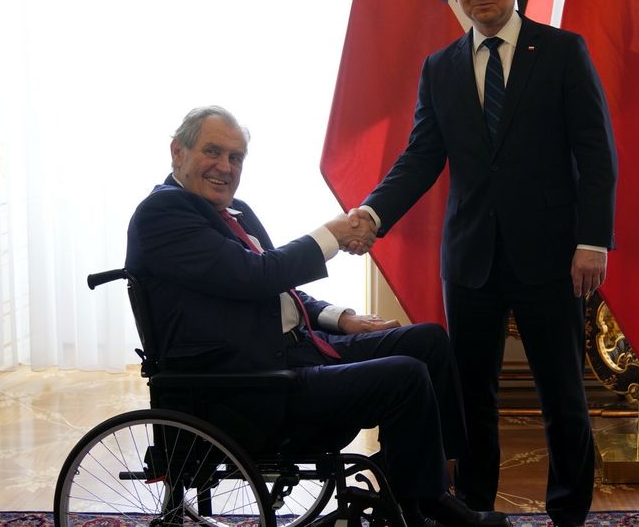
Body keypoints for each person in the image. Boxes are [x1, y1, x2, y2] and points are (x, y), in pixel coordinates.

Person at [125, 106, 508, 527]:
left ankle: (428, 483)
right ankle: (422, 501)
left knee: (429, 341)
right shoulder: (162, 216)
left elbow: (275, 287)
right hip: (247, 386)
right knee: (405, 376)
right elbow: (258, 276)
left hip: (297, 352)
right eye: (212, 152)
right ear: (177, 151)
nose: (225, 167)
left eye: (236, 158)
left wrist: (341, 318)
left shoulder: (236, 212)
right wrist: (331, 235)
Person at [350, 0, 618, 526]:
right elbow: (421, 157)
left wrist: (592, 240)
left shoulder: (562, 52)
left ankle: (568, 513)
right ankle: (474, 510)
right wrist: (372, 213)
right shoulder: (439, 68)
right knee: (472, 399)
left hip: (554, 257)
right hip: (470, 259)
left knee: (563, 397)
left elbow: (596, 154)